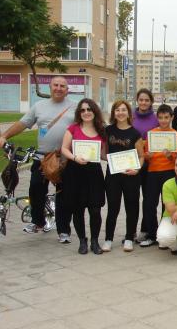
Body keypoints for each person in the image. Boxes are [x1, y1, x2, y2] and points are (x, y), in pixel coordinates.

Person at [0, 76, 75, 241]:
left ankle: (63, 230)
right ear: (50, 87)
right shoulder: (39, 106)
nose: (59, 88)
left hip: (65, 159)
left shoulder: (74, 107)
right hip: (42, 158)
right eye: (56, 85)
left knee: (64, 195)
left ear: (67, 89)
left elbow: (87, 127)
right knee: (35, 189)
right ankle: (38, 222)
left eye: (63, 86)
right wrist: (4, 135)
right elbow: (23, 124)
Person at [61, 99, 106, 255]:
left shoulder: (101, 130)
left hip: (94, 173)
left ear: (94, 111)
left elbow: (103, 154)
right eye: (82, 110)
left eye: (89, 109)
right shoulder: (73, 128)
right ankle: (82, 241)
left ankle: (94, 241)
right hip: (75, 172)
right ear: (79, 113)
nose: (86, 112)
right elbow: (64, 149)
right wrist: (75, 158)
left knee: (95, 210)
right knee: (77, 210)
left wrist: (119, 160)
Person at [102, 100, 144, 253]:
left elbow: (141, 156)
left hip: (131, 176)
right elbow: (104, 152)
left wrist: (136, 169)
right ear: (113, 113)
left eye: (123, 110)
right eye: (117, 110)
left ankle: (128, 238)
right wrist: (112, 161)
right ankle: (108, 239)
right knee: (113, 207)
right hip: (113, 175)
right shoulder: (108, 131)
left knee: (131, 207)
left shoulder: (135, 133)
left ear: (128, 113)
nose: (120, 113)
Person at [140, 104, 177, 247]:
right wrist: (147, 155)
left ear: (171, 118)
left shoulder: (176, 135)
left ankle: (166, 234)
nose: (163, 121)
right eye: (161, 118)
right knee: (149, 204)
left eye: (166, 118)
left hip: (169, 172)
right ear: (157, 118)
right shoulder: (151, 133)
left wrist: (170, 156)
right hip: (153, 172)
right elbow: (144, 155)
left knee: (168, 205)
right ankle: (152, 234)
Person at [132, 88, 159, 243]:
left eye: (146, 100)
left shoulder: (155, 119)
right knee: (133, 198)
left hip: (150, 164)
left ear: (151, 102)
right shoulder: (130, 117)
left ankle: (146, 230)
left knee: (149, 199)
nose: (143, 102)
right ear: (137, 100)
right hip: (133, 162)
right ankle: (131, 232)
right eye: (141, 99)